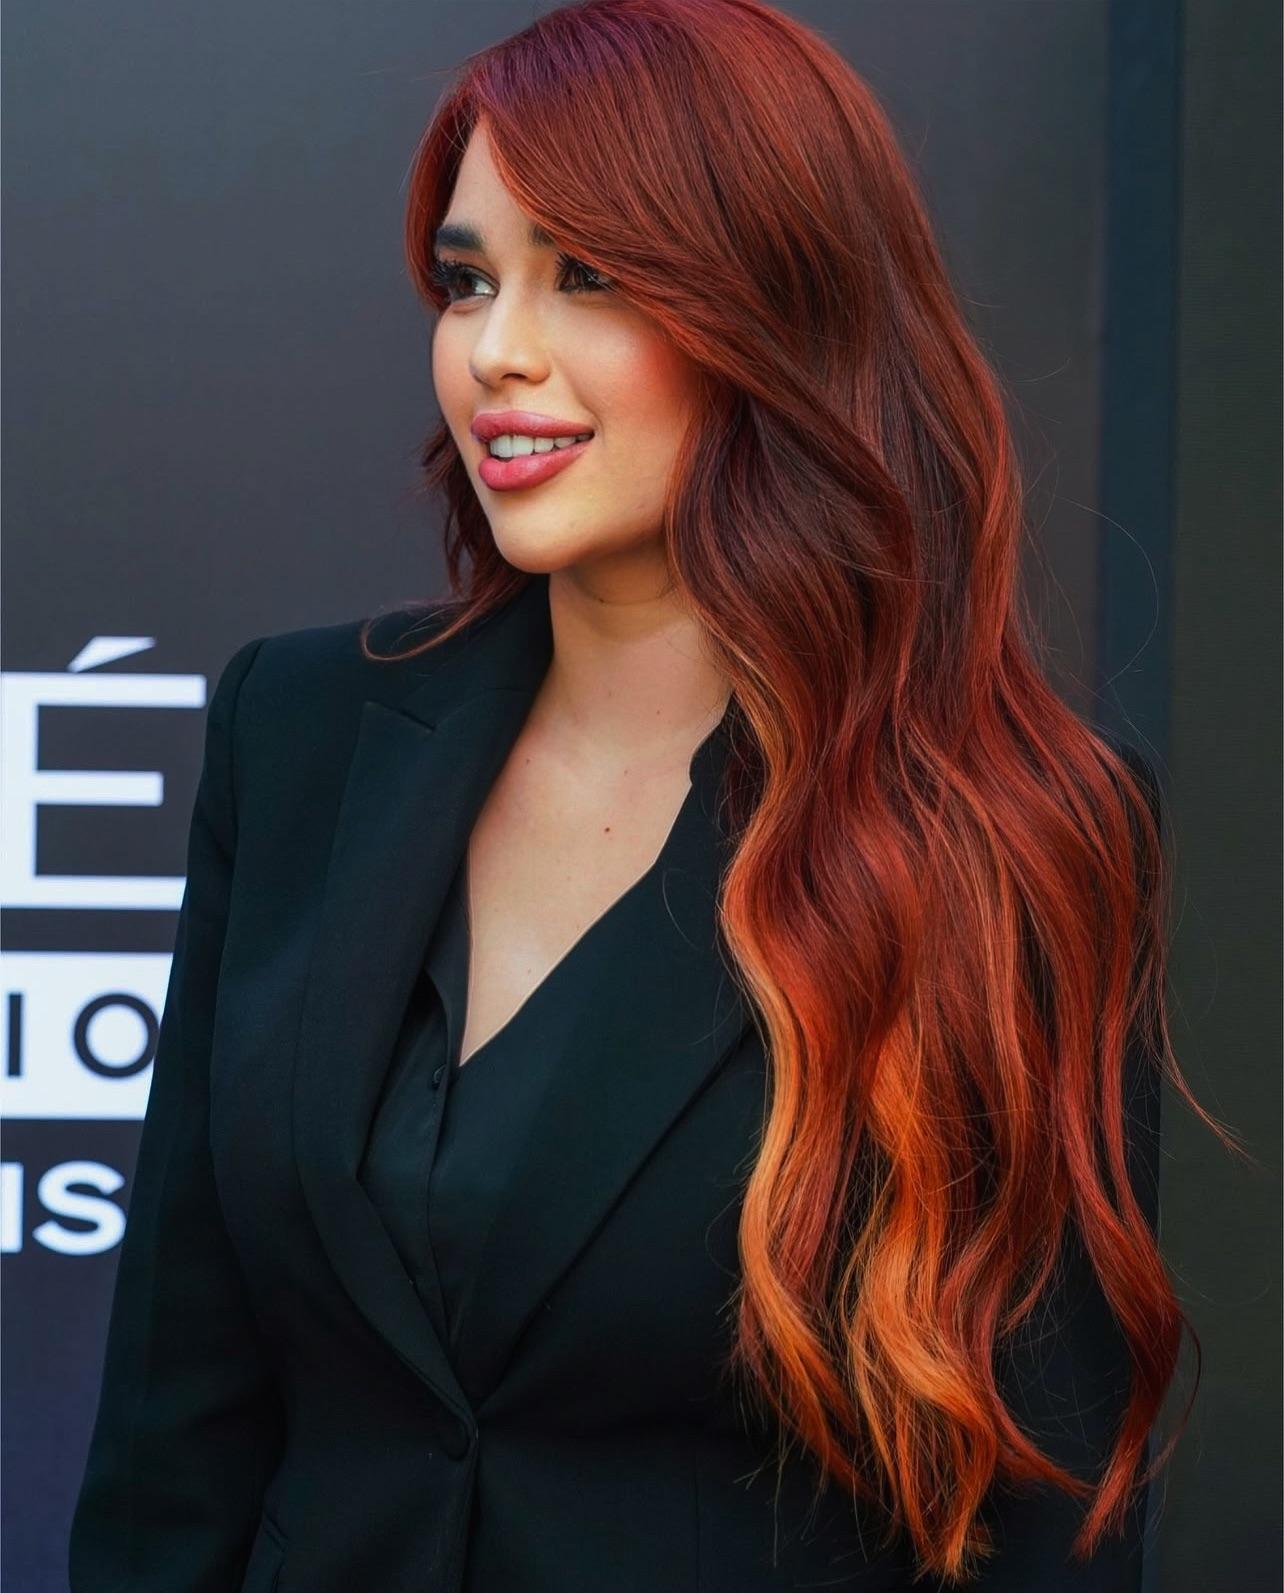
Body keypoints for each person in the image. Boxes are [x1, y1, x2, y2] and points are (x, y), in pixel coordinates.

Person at [69, 1, 1229, 1588]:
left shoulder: (1007, 835)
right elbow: (172, 1431)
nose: (496, 350)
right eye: (467, 280)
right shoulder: (302, 734)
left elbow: (1040, 1512)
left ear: (775, 310)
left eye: (589, 277)